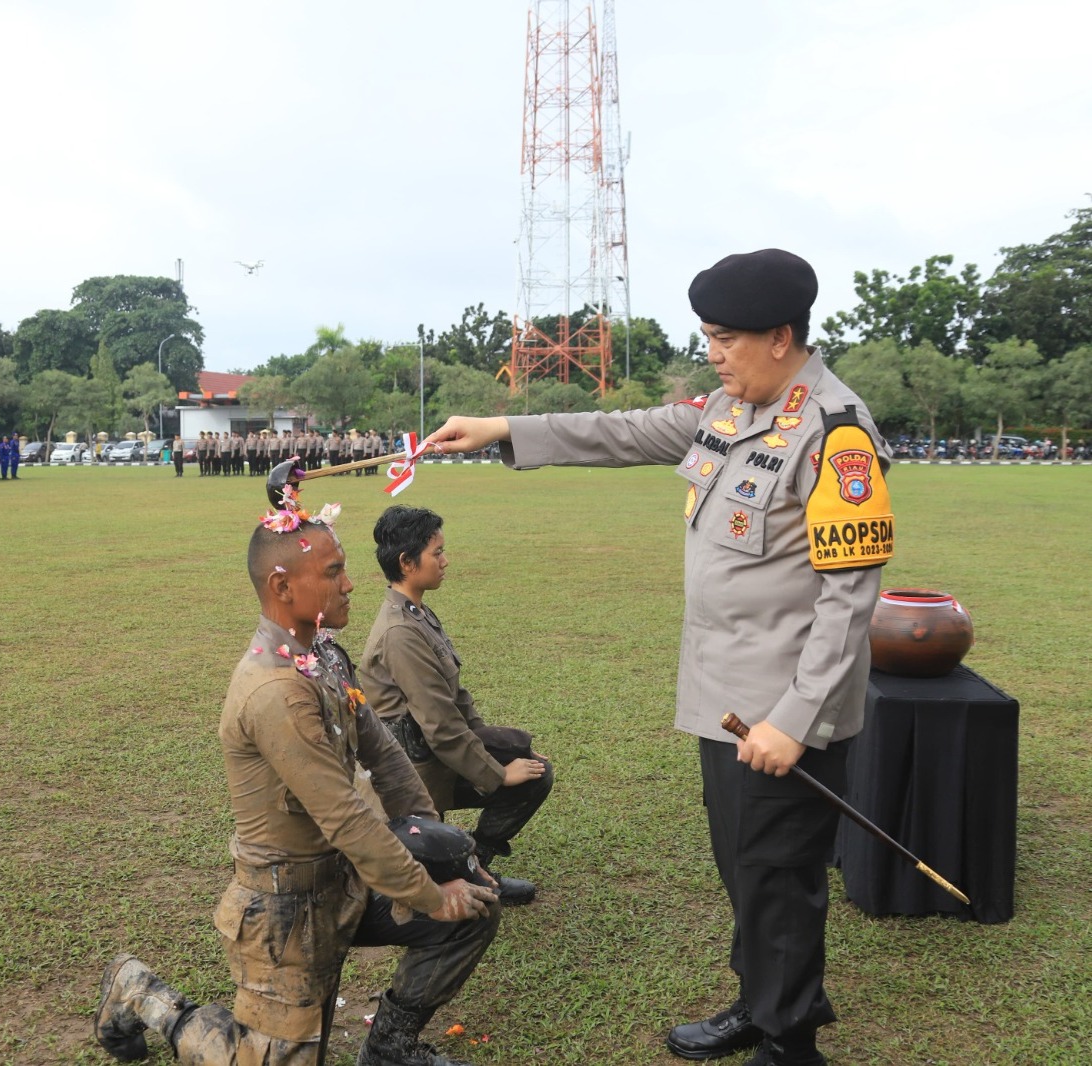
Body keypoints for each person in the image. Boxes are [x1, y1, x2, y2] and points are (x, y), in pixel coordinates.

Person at [424, 249, 895, 1066]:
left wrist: (795, 719)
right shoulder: (731, 407)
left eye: (726, 338)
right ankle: (767, 1000)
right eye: (708, 336)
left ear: (781, 337)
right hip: (727, 700)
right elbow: (623, 429)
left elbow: (849, 601)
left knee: (778, 874)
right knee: (748, 869)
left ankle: (789, 1046)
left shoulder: (836, 436)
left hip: (784, 713)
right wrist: (503, 429)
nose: (713, 352)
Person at [95, 504, 500, 1066]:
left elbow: (385, 756)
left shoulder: (322, 657)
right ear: (283, 586)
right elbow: (345, 817)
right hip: (284, 909)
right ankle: (141, 991)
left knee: (474, 905)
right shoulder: (276, 691)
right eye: (333, 572)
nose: (350, 583)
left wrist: (445, 852)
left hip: (348, 881)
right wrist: (431, 894)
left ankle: (388, 1048)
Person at [360, 505, 553, 906]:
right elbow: (441, 726)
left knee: (532, 766)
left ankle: (476, 862)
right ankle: (466, 873)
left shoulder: (416, 614)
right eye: (438, 553)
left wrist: (503, 747)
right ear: (407, 563)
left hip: (436, 755)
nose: (446, 561)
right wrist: (498, 772)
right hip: (415, 774)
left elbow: (456, 697)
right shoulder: (400, 632)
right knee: (432, 883)